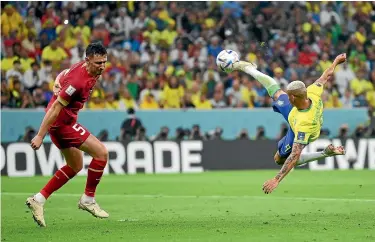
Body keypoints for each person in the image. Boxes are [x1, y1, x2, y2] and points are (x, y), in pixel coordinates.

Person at [232, 53, 348, 194]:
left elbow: (294, 156)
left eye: (288, 95)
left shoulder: (304, 125)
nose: (286, 96)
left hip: (299, 125)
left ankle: (325, 153)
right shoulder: (312, 92)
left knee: (280, 159)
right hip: (295, 111)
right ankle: (249, 69)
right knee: (275, 91)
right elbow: (325, 76)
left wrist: (276, 179)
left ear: (292, 97)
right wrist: (336, 61)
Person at [26, 42, 109, 227]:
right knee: (102, 154)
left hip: (65, 122)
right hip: (62, 124)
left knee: (75, 165)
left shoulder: (85, 68)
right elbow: (55, 107)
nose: (102, 66)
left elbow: (61, 75)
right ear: (87, 60)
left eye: (104, 62)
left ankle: (38, 200)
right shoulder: (78, 81)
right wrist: (40, 135)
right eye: (98, 63)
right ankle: (88, 199)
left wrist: (56, 85)